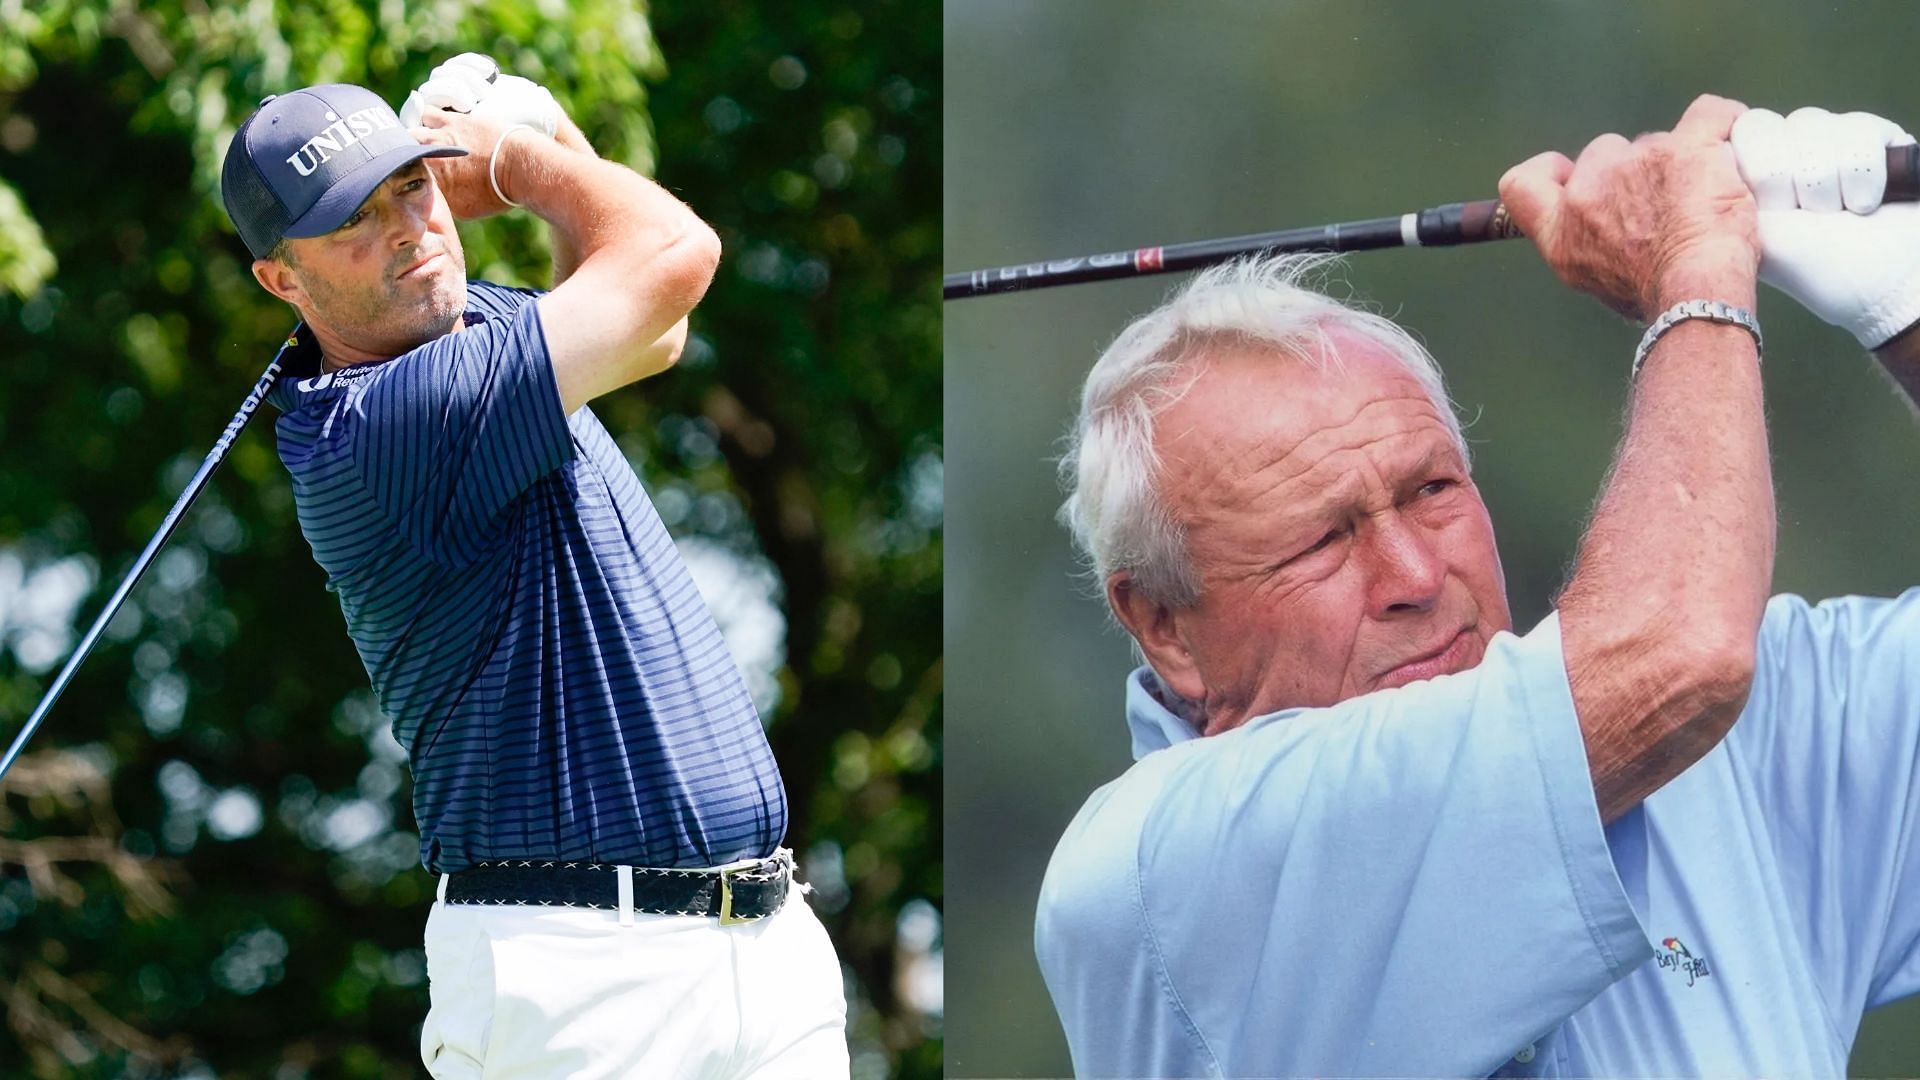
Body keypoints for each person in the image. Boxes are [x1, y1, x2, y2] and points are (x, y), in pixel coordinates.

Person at [1036, 95, 1920, 1077]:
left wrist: (1907, 305)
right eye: (1324, 540)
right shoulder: (1159, 872)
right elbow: (1681, 655)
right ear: (1163, 626)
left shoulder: (1743, 741)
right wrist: (1701, 264)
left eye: (1433, 491)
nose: (1415, 575)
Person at [218, 56, 848, 1078]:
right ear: (281, 279)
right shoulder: (381, 426)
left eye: (411, 185)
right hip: (581, 979)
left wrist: (552, 133)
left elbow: (657, 330)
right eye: (352, 221)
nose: (409, 226)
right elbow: (675, 253)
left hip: (759, 947)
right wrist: (514, 158)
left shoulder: (480, 328)